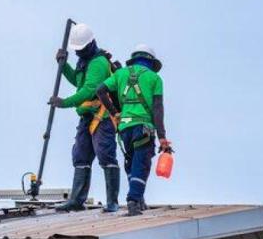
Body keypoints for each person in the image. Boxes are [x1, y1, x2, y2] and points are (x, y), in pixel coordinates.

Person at [48, 23, 120, 212]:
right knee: (81, 156)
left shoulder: (98, 63)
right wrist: (63, 66)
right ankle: (77, 200)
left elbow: (89, 91)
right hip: (86, 116)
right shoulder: (84, 61)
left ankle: (112, 201)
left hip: (102, 117)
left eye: (81, 49)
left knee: (106, 154)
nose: (78, 53)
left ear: (90, 44)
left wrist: (64, 102)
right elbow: (77, 81)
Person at [96, 44, 171, 216]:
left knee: (131, 163)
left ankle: (138, 199)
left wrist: (115, 112)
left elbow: (100, 90)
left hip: (124, 128)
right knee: (141, 164)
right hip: (143, 127)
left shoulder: (120, 74)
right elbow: (158, 109)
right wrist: (162, 137)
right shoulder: (155, 79)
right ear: (151, 62)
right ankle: (134, 200)